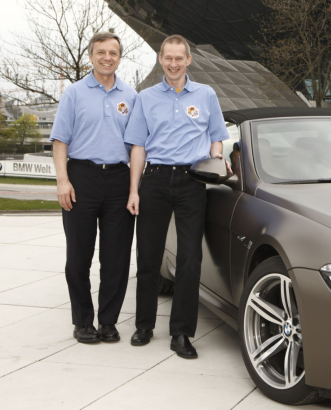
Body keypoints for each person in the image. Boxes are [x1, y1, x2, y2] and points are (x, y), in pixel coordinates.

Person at [124, 34, 229, 359]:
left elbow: (216, 138)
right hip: (154, 180)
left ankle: (182, 333)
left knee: (189, 259)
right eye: (167, 58)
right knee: (148, 257)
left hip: (191, 181)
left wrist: (215, 161)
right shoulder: (146, 97)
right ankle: (144, 326)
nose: (173, 64)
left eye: (178, 58)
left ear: (188, 60)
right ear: (161, 59)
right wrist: (134, 190)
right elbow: (138, 146)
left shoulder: (206, 94)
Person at [50, 31, 136, 344]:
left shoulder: (131, 96)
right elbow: (60, 141)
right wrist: (63, 180)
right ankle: (83, 321)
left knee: (116, 259)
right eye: (101, 52)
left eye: (113, 53)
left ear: (119, 58)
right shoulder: (73, 93)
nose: (107, 58)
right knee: (78, 257)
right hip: (81, 178)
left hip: (119, 180)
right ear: (91, 56)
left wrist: (134, 188)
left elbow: (137, 146)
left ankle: (109, 322)